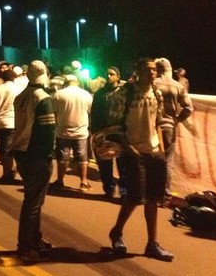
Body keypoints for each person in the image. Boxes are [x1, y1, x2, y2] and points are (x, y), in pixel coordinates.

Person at [107, 58, 173, 262]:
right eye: (148, 69)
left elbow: (158, 123)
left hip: (153, 151)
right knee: (135, 197)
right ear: (137, 71)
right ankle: (117, 231)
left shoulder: (157, 94)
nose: (152, 73)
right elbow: (114, 127)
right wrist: (131, 149)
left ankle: (152, 243)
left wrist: (160, 150)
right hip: (132, 153)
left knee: (153, 198)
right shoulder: (123, 95)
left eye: (154, 70)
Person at [10, 60, 56, 263]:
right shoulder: (43, 99)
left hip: (20, 151)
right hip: (36, 154)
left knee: (33, 199)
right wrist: (49, 154)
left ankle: (36, 240)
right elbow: (47, 132)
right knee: (33, 203)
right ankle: (26, 246)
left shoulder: (21, 96)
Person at [154, 58, 193, 196]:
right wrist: (177, 120)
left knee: (151, 160)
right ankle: (165, 194)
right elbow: (188, 108)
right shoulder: (178, 86)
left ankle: (151, 192)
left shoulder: (152, 84)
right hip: (169, 127)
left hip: (152, 127)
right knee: (167, 162)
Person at [51, 74, 93, 191]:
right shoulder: (86, 95)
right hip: (81, 132)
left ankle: (60, 181)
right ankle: (84, 182)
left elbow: (54, 112)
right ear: (77, 82)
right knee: (82, 157)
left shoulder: (59, 94)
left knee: (63, 157)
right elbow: (90, 112)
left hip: (63, 131)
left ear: (66, 82)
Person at [91, 66, 127, 198]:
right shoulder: (100, 94)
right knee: (104, 165)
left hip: (120, 134)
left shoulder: (124, 93)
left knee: (123, 166)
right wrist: (94, 132)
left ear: (118, 77)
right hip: (102, 134)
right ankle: (109, 190)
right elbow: (94, 112)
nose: (108, 76)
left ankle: (124, 193)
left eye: (112, 74)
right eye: (106, 74)